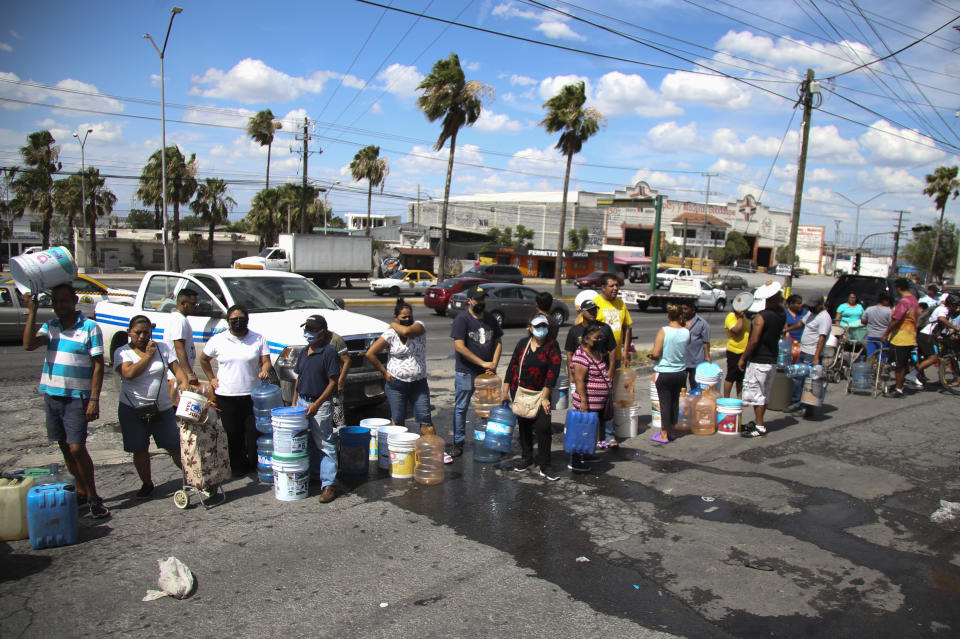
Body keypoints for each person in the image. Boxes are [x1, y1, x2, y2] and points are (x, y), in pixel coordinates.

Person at [22, 283, 109, 519]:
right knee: (64, 447)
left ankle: (93, 496)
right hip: (52, 395)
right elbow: (28, 344)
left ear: (74, 301)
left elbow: (98, 365)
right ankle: (80, 491)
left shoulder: (90, 328)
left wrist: (94, 400)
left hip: (77, 398)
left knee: (77, 447)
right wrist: (32, 311)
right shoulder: (51, 327)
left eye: (64, 301)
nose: (59, 306)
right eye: (56, 302)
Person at [115, 315, 190, 499]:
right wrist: (148, 356)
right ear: (129, 332)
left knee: (174, 445)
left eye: (146, 332)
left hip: (162, 408)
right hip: (133, 409)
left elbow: (176, 369)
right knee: (139, 448)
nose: (141, 336)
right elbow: (129, 373)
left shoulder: (162, 347)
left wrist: (184, 382)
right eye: (137, 332)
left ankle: (192, 478)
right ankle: (147, 483)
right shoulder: (122, 352)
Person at [198, 304, 272, 474]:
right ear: (228, 321)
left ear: (247, 320)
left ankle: (253, 463)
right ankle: (237, 466)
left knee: (253, 432)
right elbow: (204, 359)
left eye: (242, 319)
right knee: (233, 433)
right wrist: (212, 379)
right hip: (227, 395)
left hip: (251, 395)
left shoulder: (258, 338)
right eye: (234, 320)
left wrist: (265, 370)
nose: (238, 322)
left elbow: (265, 360)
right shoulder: (219, 339)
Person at [502, 314, 562, 480]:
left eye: (544, 326)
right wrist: (505, 391)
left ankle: (545, 465)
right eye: (537, 326)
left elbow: (553, 372)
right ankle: (527, 458)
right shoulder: (523, 344)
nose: (541, 329)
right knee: (524, 426)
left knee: (543, 427)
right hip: (520, 391)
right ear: (530, 327)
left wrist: (545, 397)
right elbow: (513, 365)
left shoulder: (552, 345)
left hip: (541, 393)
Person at [450, 286, 503, 458]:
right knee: (461, 408)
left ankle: (488, 441)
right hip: (466, 372)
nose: (481, 302)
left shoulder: (490, 319)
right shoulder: (462, 319)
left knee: (488, 409)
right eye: (478, 299)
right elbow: (459, 346)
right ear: (470, 300)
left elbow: (498, 342)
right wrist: (482, 362)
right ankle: (458, 442)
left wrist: (493, 364)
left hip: (487, 374)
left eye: (483, 299)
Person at [293, 315, 341, 504]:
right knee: (308, 442)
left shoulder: (328, 352)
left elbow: (333, 382)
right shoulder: (304, 351)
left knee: (325, 444)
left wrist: (317, 404)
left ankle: (329, 484)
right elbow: (299, 377)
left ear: (323, 333)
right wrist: (294, 402)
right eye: (307, 329)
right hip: (302, 403)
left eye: (313, 330)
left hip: (319, 405)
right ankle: (315, 475)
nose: (308, 334)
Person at [365, 299, 432, 429]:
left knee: (425, 420)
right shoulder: (390, 334)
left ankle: (429, 448)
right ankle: (398, 448)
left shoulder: (419, 326)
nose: (407, 319)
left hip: (419, 382)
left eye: (409, 316)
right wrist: (384, 372)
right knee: (398, 420)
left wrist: (393, 324)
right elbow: (370, 354)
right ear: (396, 317)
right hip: (396, 383)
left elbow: (406, 332)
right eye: (404, 317)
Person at [592, 273, 632, 446]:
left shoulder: (621, 304)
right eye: (611, 286)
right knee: (596, 394)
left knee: (611, 395)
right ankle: (594, 433)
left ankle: (609, 435)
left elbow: (627, 327)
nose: (615, 289)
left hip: (615, 357)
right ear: (603, 287)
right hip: (598, 357)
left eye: (617, 286)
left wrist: (625, 350)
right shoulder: (596, 303)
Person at [739, 290, 786, 438]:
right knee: (764, 393)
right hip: (771, 359)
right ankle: (757, 421)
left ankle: (759, 426)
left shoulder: (761, 317)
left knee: (757, 394)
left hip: (759, 360)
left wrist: (743, 357)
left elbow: (754, 340)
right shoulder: (781, 314)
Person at [568, 324, 612, 472]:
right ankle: (575, 461)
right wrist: (584, 401)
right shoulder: (581, 355)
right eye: (596, 338)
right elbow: (579, 380)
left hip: (597, 403)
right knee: (580, 431)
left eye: (601, 337)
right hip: (586, 402)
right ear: (586, 339)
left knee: (590, 430)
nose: (599, 340)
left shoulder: (597, 352)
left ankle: (586, 454)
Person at [650, 305, 690, 443]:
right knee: (674, 402)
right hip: (680, 372)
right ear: (681, 316)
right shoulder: (686, 332)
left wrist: (651, 356)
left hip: (665, 372)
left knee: (664, 403)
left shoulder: (664, 331)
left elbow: (656, 353)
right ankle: (672, 431)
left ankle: (664, 433)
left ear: (669, 316)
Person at [789, 296, 831, 412]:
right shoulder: (811, 314)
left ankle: (807, 408)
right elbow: (801, 324)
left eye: (813, 306)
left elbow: (822, 338)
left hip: (812, 354)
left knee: (810, 382)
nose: (810, 309)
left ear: (820, 305)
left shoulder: (824, 317)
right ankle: (797, 402)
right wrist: (786, 330)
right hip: (804, 351)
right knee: (798, 377)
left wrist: (816, 357)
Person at [880, 279, 919, 396]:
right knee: (902, 364)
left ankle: (898, 388)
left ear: (899, 288)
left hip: (901, 337)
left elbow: (896, 320)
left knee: (899, 365)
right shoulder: (914, 299)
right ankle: (899, 385)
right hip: (910, 335)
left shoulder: (904, 301)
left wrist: (886, 333)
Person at [165, 288, 199, 387]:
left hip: (180, 374)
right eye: (193, 304)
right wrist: (189, 373)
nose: (195, 307)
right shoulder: (179, 320)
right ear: (184, 303)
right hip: (177, 376)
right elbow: (179, 347)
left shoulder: (180, 319)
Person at [681, 299, 711, 389]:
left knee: (695, 387)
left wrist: (707, 357)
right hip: (681, 361)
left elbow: (706, 342)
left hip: (696, 361)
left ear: (693, 310)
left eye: (686, 309)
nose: (683, 311)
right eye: (682, 309)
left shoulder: (702, 323)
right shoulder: (679, 321)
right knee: (681, 388)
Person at [723, 306, 749, 398]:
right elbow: (737, 330)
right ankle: (726, 398)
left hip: (744, 352)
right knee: (731, 376)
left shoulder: (745, 319)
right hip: (734, 351)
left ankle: (739, 398)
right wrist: (740, 317)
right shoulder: (731, 317)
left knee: (740, 378)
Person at [862, 294, 892, 359]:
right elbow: (891, 323)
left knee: (871, 355)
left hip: (871, 336)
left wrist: (870, 322)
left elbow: (863, 321)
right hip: (883, 337)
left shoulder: (869, 309)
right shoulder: (889, 311)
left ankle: (871, 367)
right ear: (885, 301)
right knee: (882, 355)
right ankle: (880, 368)